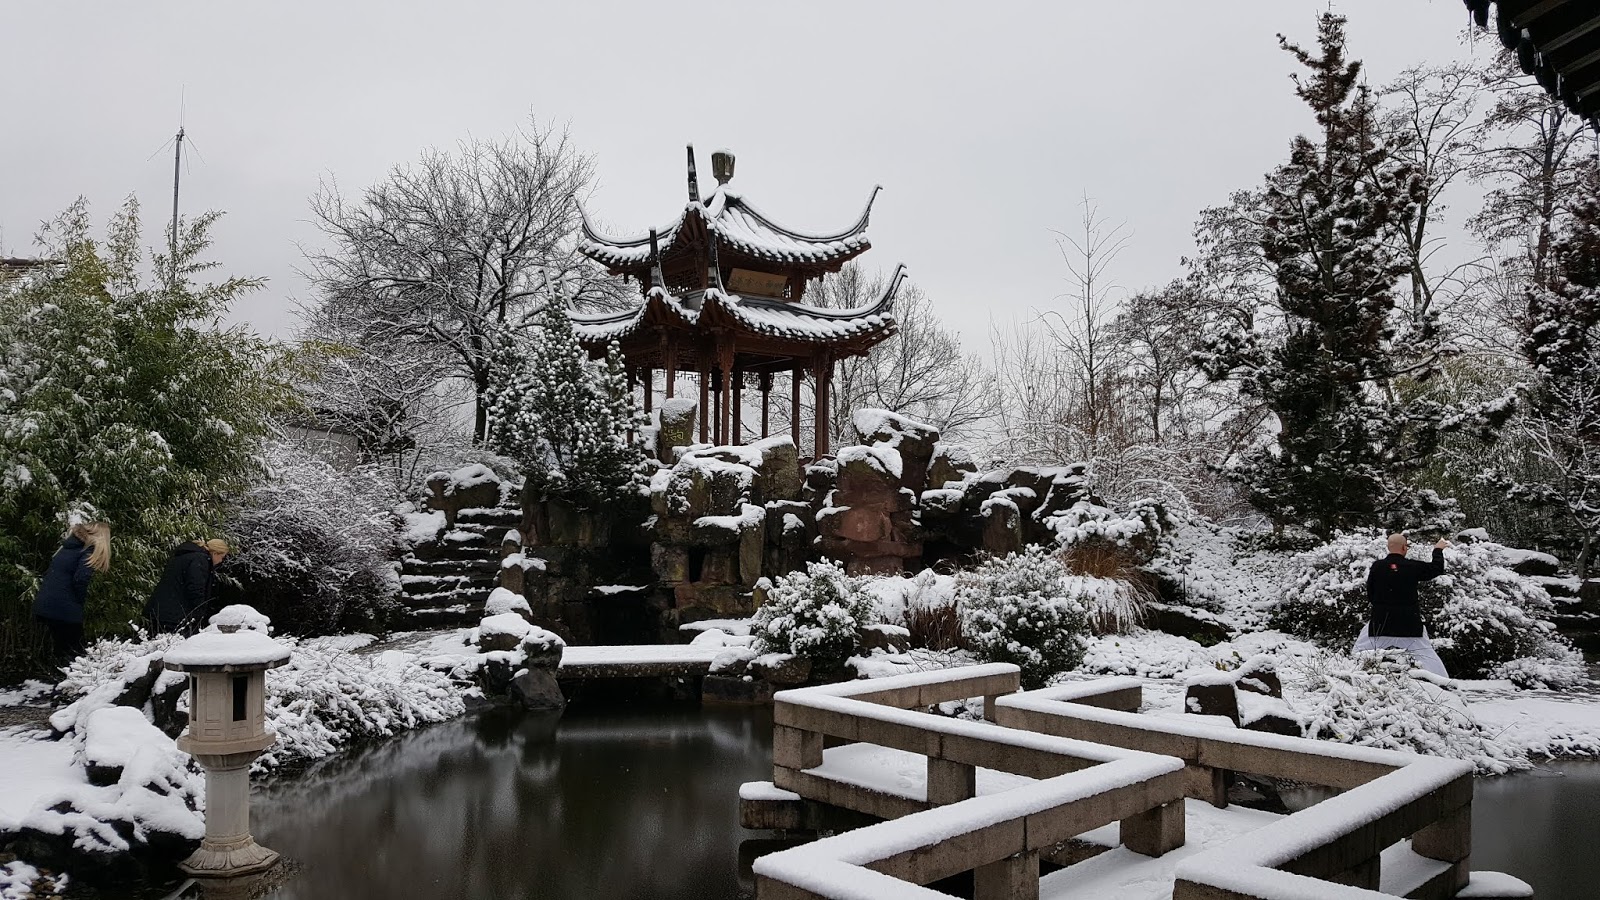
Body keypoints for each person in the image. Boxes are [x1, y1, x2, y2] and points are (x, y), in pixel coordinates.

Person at [1352, 533, 1450, 678]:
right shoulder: (1411, 566)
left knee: (1358, 654)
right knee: (1428, 657)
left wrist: (1383, 606)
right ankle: (1445, 685)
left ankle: (1351, 679)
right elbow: (1436, 568)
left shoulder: (1377, 567)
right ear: (1404, 548)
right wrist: (1438, 550)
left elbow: (1371, 594)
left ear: (1388, 547)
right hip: (1409, 624)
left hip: (1380, 624)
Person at [33, 522, 113, 663]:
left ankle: (59, 676)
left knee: (62, 646)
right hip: (64, 608)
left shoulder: (68, 547)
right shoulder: (87, 550)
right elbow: (81, 578)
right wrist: (79, 601)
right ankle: (73, 681)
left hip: (46, 603)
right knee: (76, 652)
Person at [144, 538, 228, 634]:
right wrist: (199, 613)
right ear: (215, 553)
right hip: (175, 615)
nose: (221, 561)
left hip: (161, 610)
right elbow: (195, 588)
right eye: (222, 556)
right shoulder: (200, 560)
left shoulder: (187, 556)